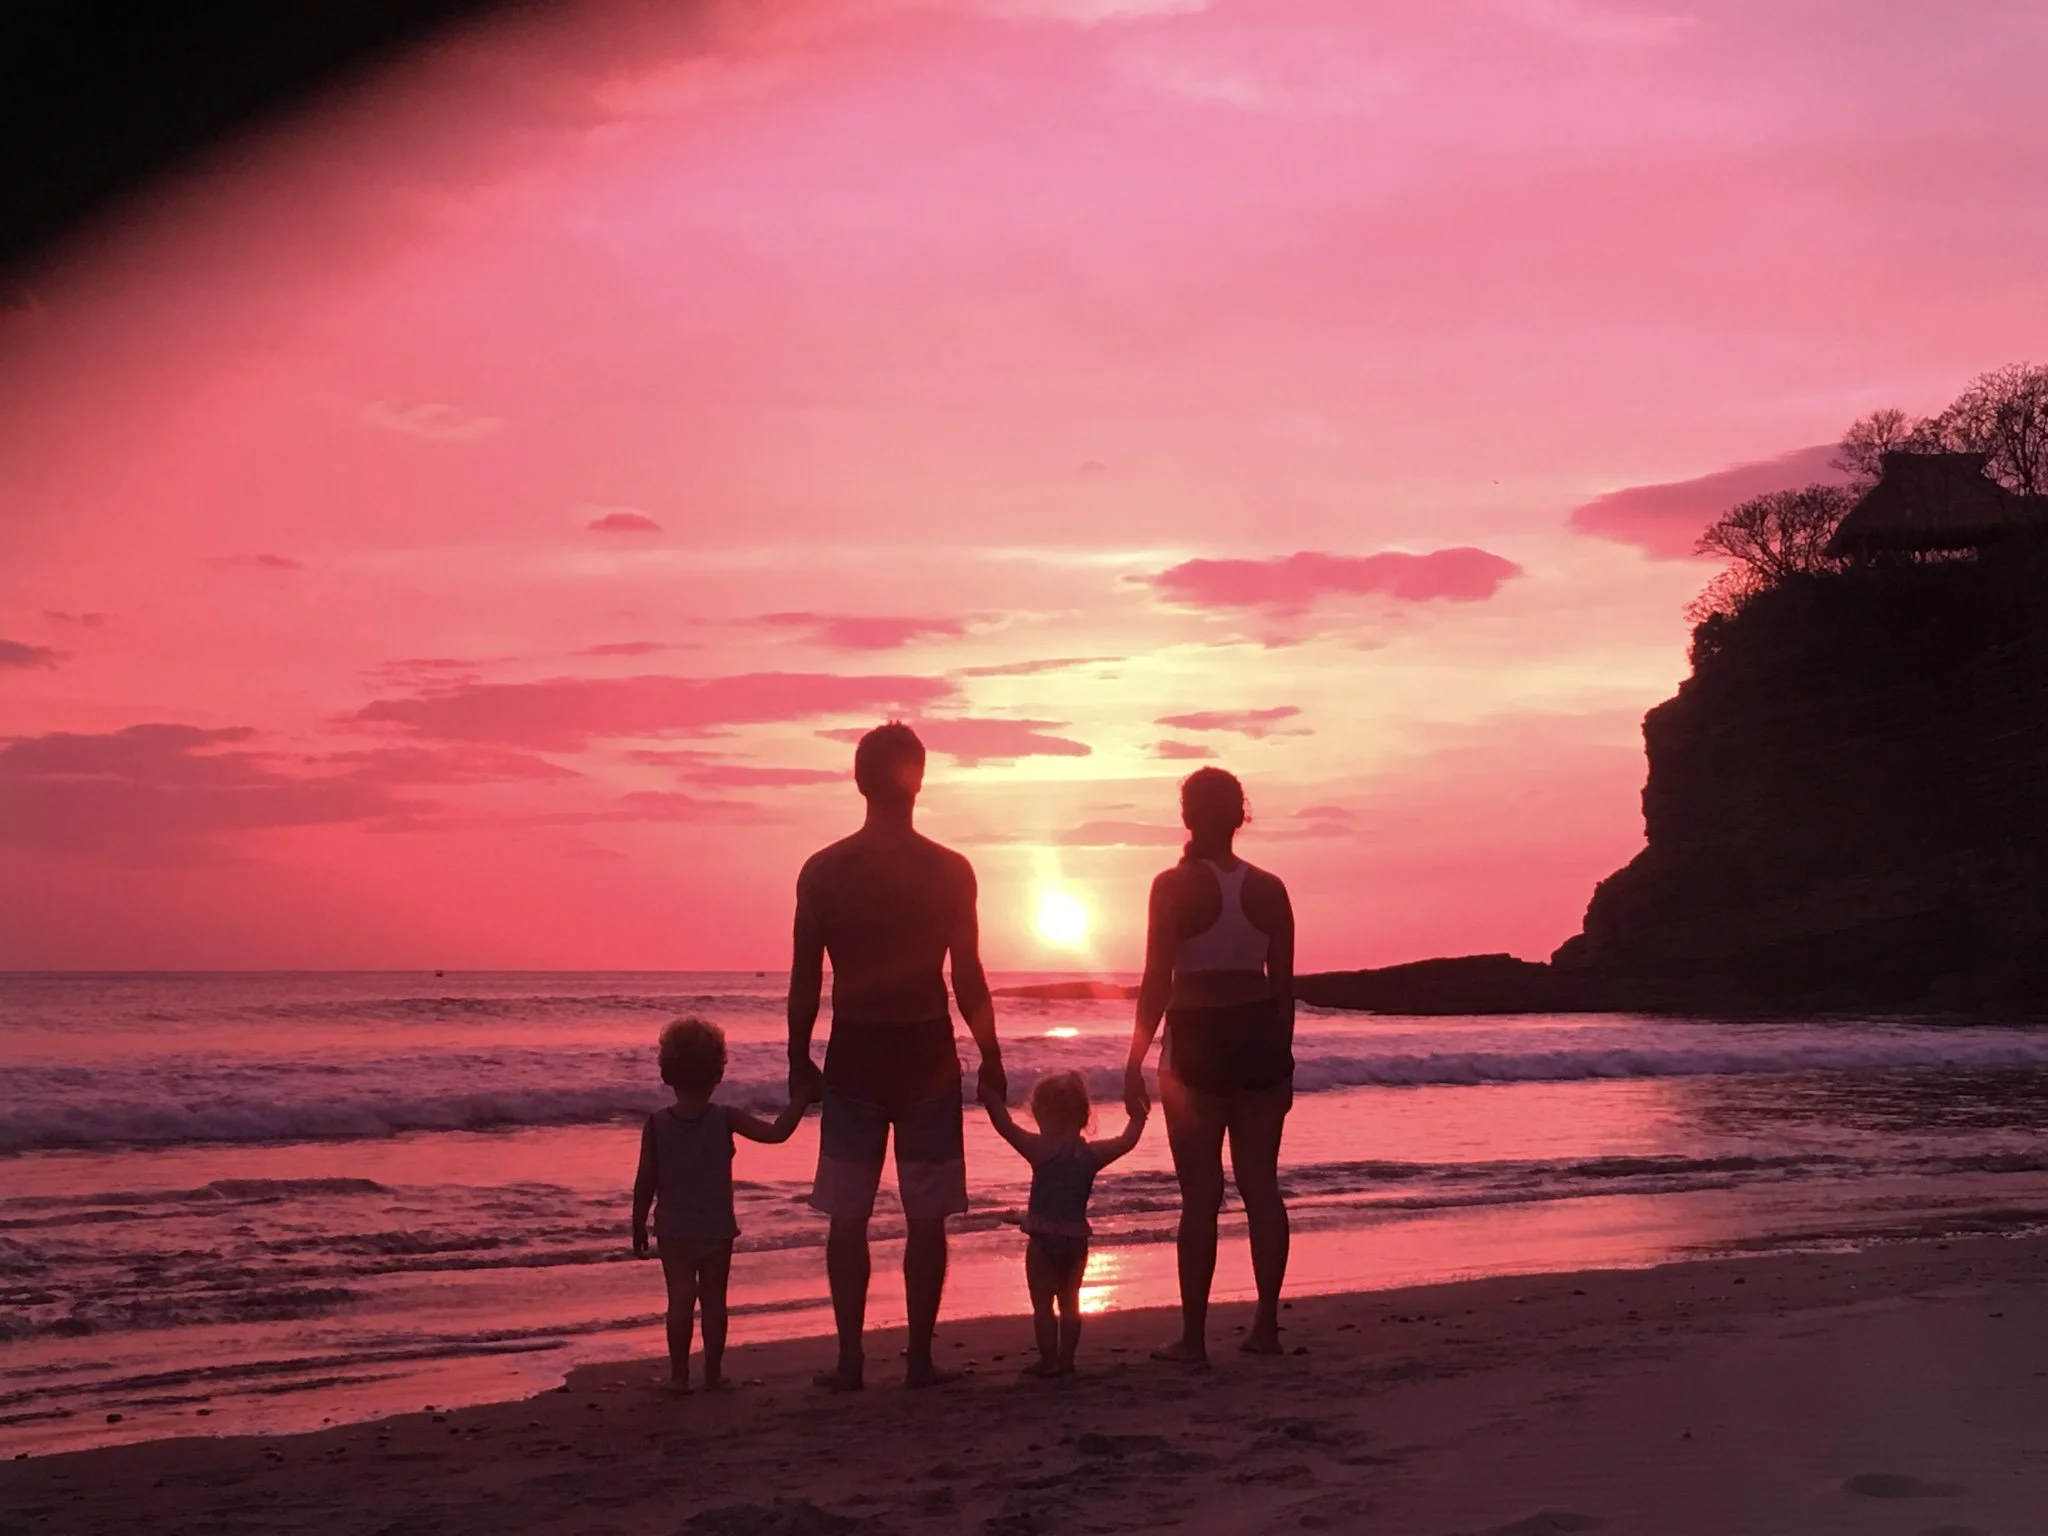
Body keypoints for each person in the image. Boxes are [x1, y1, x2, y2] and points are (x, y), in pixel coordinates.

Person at [788, 721, 1005, 1390]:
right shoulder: (948, 870)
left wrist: (799, 1059)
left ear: (859, 781)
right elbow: (967, 975)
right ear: (918, 779)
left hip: (855, 1050)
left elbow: (805, 981)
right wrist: (991, 1053)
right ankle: (917, 1358)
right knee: (926, 1217)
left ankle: (851, 1360)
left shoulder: (825, 871)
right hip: (925, 1051)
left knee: (848, 1216)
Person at [1122, 767, 1296, 1363]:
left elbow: (1154, 983)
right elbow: (1283, 988)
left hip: (1196, 1042)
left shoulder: (1171, 886)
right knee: (1261, 1188)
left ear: (1187, 816)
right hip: (1258, 1040)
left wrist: (1134, 1060)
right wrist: (1285, 1059)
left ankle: (1193, 1340)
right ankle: (1266, 1328)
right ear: (1239, 815)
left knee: (1200, 1195)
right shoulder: (1270, 888)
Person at [631, 1017, 814, 1392]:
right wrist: (801, 1099)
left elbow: (645, 1180)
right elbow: (776, 1134)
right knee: (714, 1301)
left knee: (679, 1300)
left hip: (673, 1229)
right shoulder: (725, 1118)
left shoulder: (657, 1124)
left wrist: (637, 1222)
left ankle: (679, 1377)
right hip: (717, 1227)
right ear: (718, 1073)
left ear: (667, 1074)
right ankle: (713, 1374)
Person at [981, 1069, 1146, 1377]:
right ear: (1083, 1115)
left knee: (1043, 1306)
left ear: (1040, 1114)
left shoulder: (1039, 1149)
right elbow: (1127, 1141)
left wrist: (992, 1100)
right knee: (1070, 1303)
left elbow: (1006, 1127)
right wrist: (1138, 1115)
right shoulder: (1091, 1153)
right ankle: (1067, 1360)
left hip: (1043, 1238)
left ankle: (1048, 1360)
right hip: (1076, 1239)